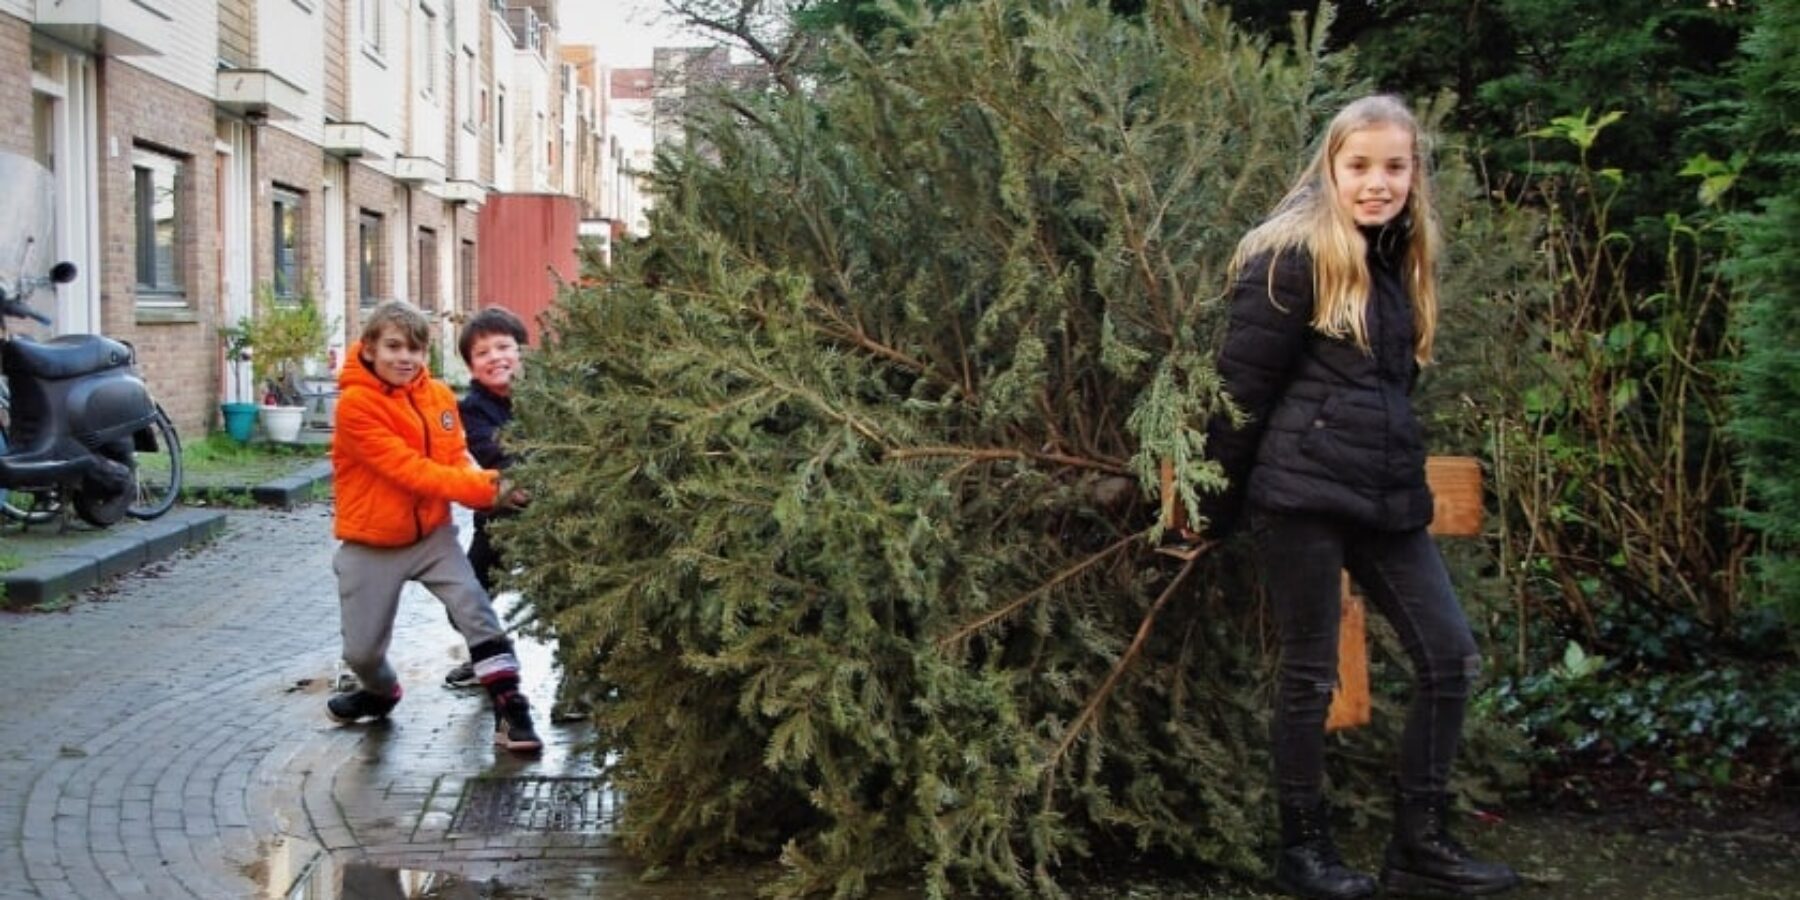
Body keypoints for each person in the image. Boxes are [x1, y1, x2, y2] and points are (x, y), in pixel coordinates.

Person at [1205, 96, 1521, 899]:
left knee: (1448, 656)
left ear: (1415, 176)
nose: (1377, 183)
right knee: (1310, 675)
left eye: (1394, 167)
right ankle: (1302, 851)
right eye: (1360, 167)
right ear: (1331, 168)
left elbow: (1387, 393)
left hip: (1383, 498)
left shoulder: (1398, 260)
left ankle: (1420, 844)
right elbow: (1240, 389)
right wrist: (1211, 507)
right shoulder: (1290, 257)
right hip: (1301, 498)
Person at [326, 299, 543, 754]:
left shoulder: (439, 398)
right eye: (394, 347)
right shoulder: (355, 407)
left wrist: (484, 479)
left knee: (476, 611)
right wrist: (494, 488)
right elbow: (413, 471)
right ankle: (379, 692)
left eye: (416, 350)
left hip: (433, 536)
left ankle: (512, 712)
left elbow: (454, 460)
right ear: (369, 348)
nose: (405, 359)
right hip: (372, 542)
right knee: (363, 653)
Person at [441, 307, 529, 690]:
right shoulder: (471, 410)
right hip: (501, 518)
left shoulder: (552, 394)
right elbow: (495, 455)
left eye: (503, 346)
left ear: (522, 350)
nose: (495, 357)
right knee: (465, 602)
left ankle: (580, 681)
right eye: (482, 353)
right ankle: (492, 656)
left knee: (568, 599)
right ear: (471, 367)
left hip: (561, 515)